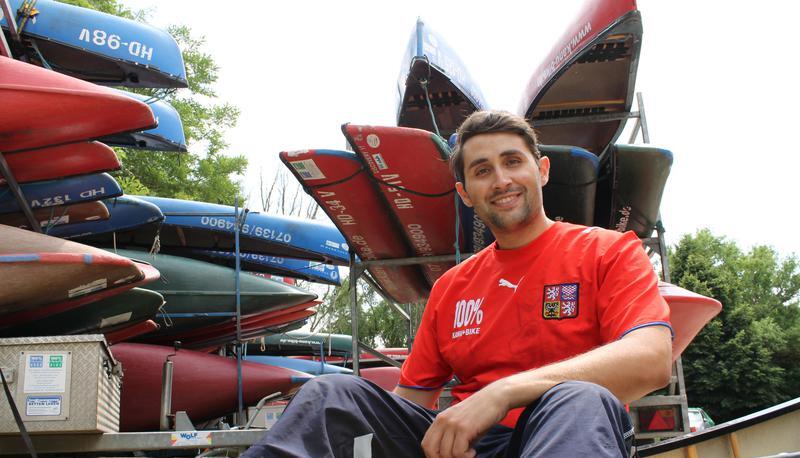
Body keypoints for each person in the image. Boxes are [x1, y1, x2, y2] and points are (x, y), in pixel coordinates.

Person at [242, 110, 673, 458]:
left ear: (541, 171)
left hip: (568, 436)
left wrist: (504, 393)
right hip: (469, 449)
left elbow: (651, 359)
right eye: (482, 170)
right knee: (332, 391)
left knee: (579, 397)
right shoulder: (452, 287)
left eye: (512, 162)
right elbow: (412, 403)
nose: (501, 180)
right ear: (465, 193)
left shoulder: (609, 251)